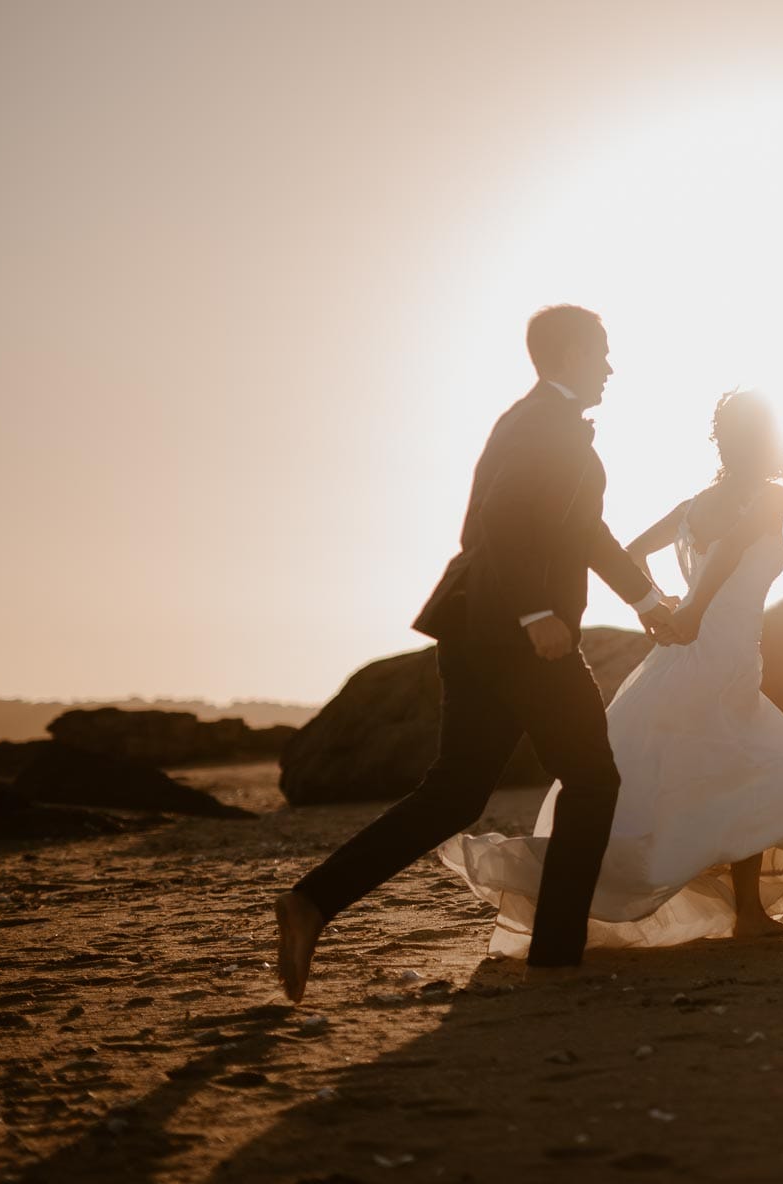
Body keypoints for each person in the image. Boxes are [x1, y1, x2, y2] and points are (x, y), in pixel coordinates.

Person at [274, 305, 681, 1001]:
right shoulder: (538, 425)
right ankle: (557, 955)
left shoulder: (540, 425)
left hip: (477, 627)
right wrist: (536, 611)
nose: (611, 368)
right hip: (518, 632)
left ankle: (312, 901)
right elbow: (498, 519)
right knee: (591, 778)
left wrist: (645, 602)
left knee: (455, 792)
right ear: (572, 353)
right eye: (603, 352)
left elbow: (584, 528)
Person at [437, 389, 783, 955]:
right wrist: (694, 610)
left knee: (723, 768)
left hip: (682, 650)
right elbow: (732, 549)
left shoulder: (695, 505)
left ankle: (745, 909)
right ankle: (745, 910)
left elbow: (628, 552)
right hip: (716, 650)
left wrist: (658, 603)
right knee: (762, 764)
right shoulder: (775, 498)